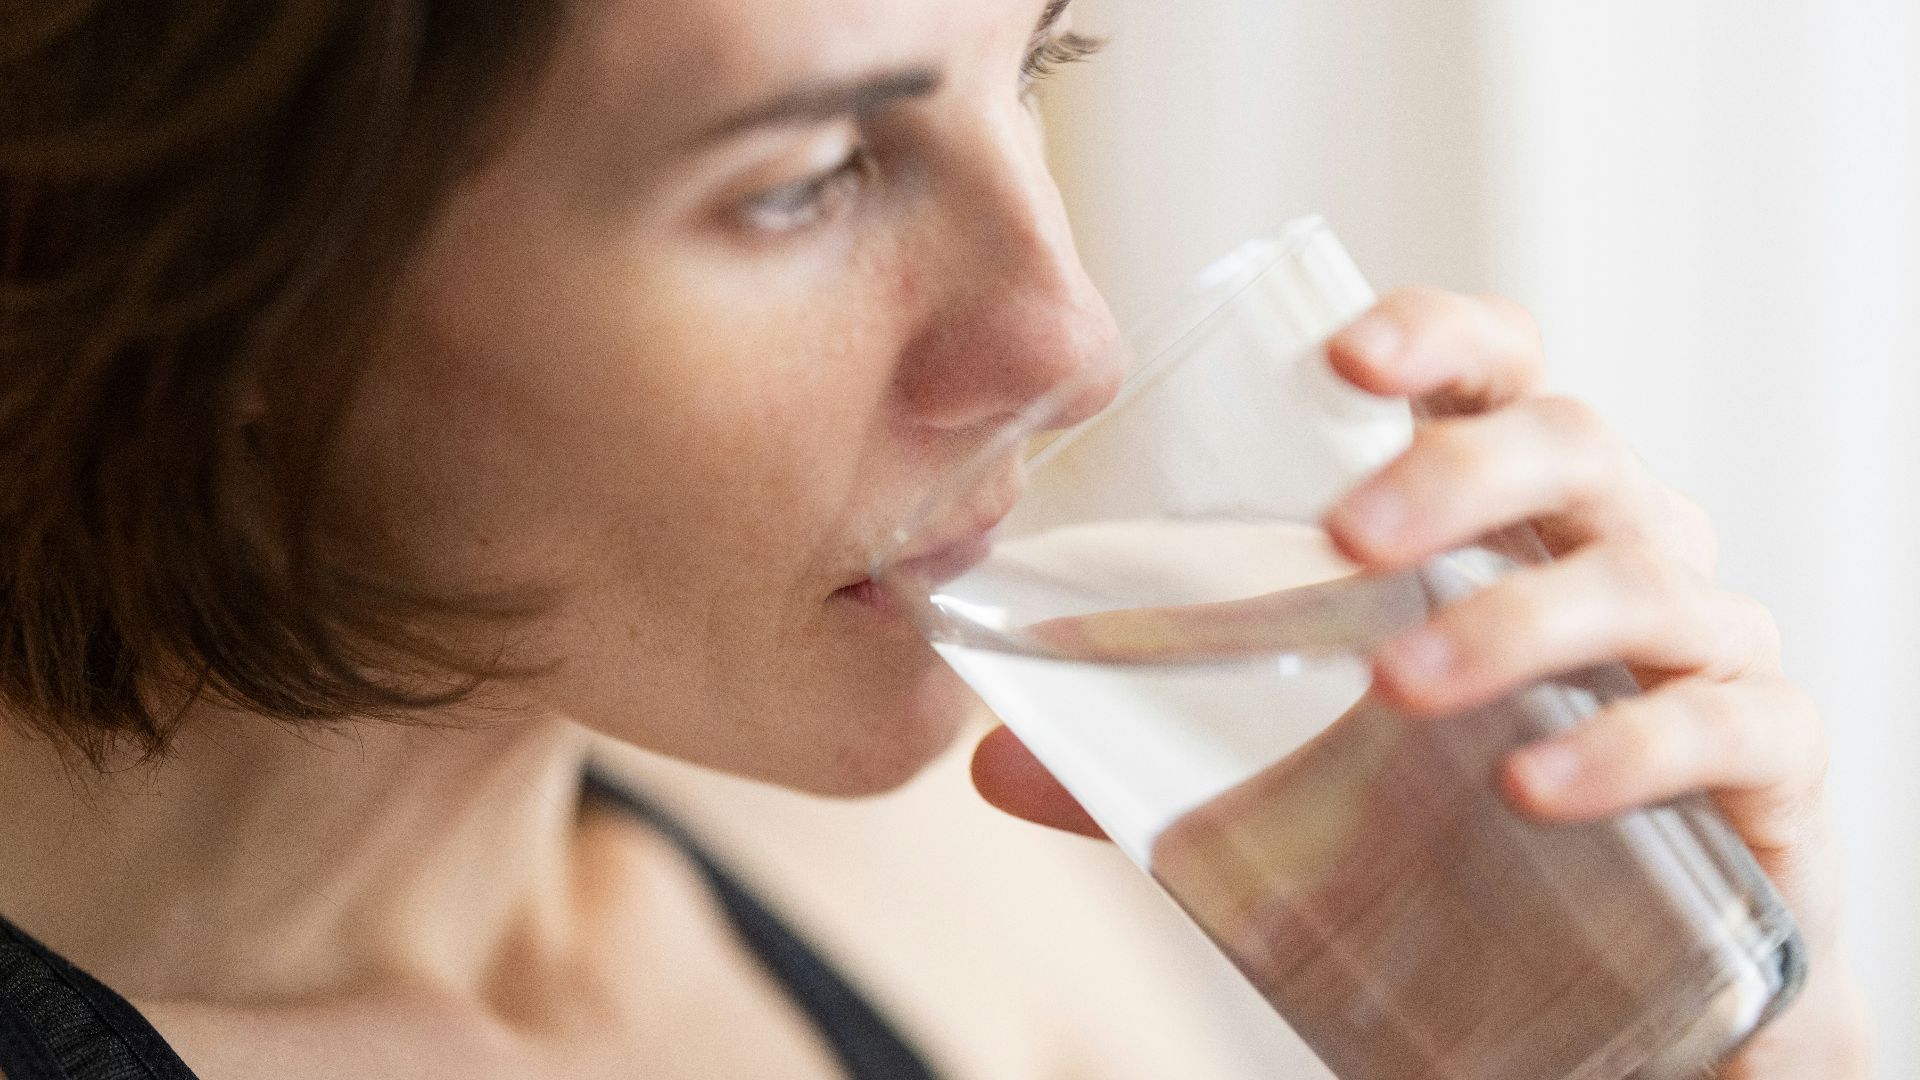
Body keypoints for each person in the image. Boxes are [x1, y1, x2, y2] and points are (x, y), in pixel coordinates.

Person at [0, 0, 1872, 1077]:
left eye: (1035, 60)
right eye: (806, 178)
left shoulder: (929, 867)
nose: (1073, 340)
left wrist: (1718, 1052)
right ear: (215, 283)